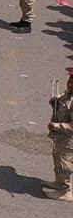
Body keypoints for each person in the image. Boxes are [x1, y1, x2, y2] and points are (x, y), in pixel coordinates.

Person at [47, 70, 73, 201]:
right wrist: (55, 103)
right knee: (57, 158)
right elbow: (62, 104)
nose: (69, 84)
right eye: (69, 81)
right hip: (61, 137)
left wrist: (57, 126)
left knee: (65, 164)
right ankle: (59, 182)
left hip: (69, 140)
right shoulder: (68, 95)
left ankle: (66, 191)